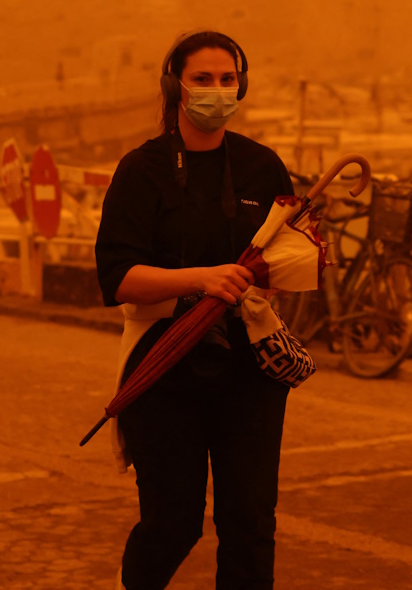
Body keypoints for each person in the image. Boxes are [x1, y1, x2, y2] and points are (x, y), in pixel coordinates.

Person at [95, 30, 296, 589]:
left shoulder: (262, 166)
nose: (216, 90)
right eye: (202, 79)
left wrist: (295, 265)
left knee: (251, 522)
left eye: (227, 79)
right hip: (163, 369)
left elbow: (288, 262)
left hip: (249, 372)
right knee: (172, 522)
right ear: (175, 86)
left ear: (242, 85)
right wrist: (204, 280)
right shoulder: (143, 170)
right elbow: (118, 278)